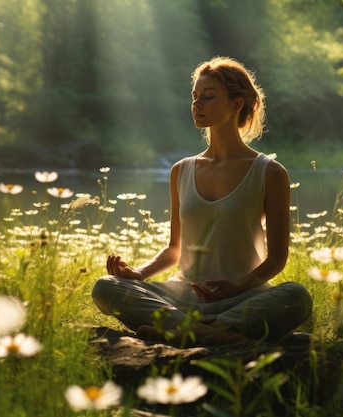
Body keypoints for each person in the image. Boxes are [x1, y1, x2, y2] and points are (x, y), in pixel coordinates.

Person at [92, 56, 313, 346]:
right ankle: (216, 335)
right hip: (184, 296)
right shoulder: (181, 170)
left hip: (243, 297)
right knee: (106, 287)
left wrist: (236, 288)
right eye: (195, 97)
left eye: (208, 97)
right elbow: (175, 249)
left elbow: (276, 260)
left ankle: (184, 331)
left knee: (297, 296)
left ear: (236, 105)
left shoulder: (269, 172)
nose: (197, 104)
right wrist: (139, 274)